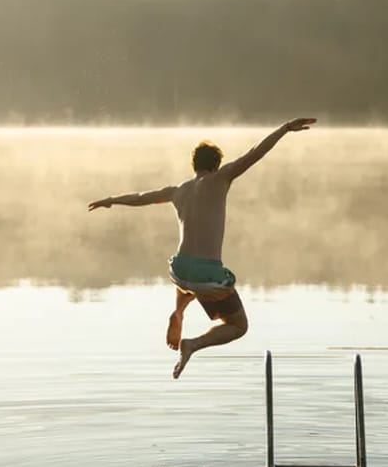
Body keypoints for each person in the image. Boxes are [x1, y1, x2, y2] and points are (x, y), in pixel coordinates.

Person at [87, 118, 317, 378]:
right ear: (216, 165)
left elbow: (142, 198)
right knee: (238, 326)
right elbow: (255, 153)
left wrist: (112, 200)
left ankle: (179, 311)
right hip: (208, 275)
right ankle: (193, 344)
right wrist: (285, 129)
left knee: (189, 278)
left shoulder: (178, 191)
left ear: (194, 165)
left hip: (180, 270)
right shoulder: (222, 179)